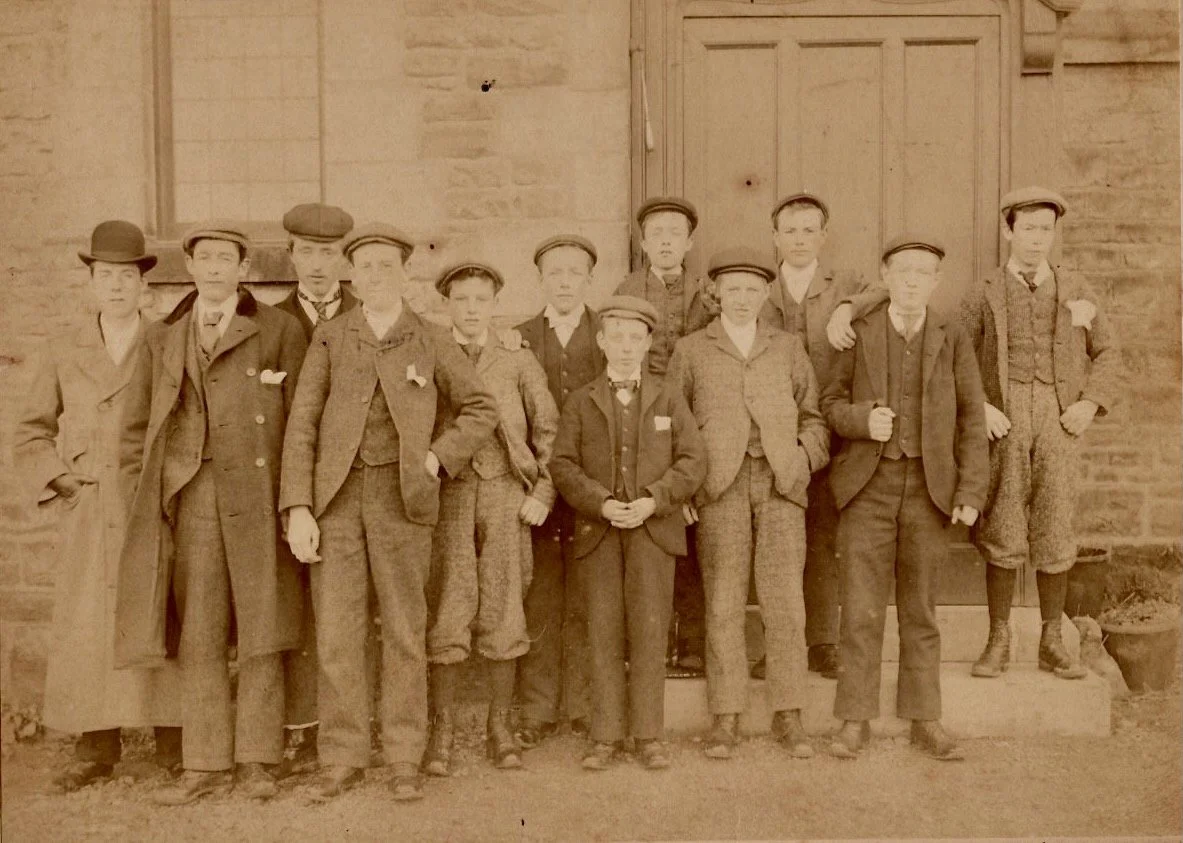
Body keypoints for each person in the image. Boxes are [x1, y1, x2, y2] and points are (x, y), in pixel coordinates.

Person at [824, 189, 1121, 681]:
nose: (1036, 240)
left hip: (1059, 417)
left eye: (1045, 230)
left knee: (1056, 521)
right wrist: (982, 407)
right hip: (1003, 419)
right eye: (1027, 229)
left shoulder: (1076, 289)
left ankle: (1051, 637)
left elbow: (1108, 351)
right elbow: (954, 358)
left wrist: (1089, 403)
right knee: (1002, 523)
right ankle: (999, 636)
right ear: (1008, 231)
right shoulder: (984, 292)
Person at [280, 223, 498, 803]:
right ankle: (342, 755)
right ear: (352, 275)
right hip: (336, 502)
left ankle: (404, 755)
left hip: (403, 503)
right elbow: (302, 425)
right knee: (337, 631)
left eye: (386, 266)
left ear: (405, 273)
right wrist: (299, 506)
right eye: (366, 266)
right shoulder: (331, 337)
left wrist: (436, 458)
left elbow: (480, 407)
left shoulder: (430, 337)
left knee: (405, 629)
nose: (375, 276)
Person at [116, 221, 308, 804]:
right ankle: (203, 764)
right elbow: (136, 429)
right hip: (194, 493)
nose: (216, 268)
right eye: (206, 258)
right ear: (191, 267)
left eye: (227, 258)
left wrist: (294, 501)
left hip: (259, 496)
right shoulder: (164, 337)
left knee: (262, 625)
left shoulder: (278, 329)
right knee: (199, 629)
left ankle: (258, 759)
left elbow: (303, 425)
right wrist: (143, 497)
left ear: (243, 268)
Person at [14, 221, 182, 791]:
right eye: (105, 276)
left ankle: (172, 741)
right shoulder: (64, 349)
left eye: (126, 276)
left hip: (148, 503)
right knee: (89, 620)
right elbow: (31, 431)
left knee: (158, 610)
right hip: (89, 505)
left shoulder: (166, 342)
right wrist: (63, 481)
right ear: (91, 283)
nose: (115, 286)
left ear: (143, 286)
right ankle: (95, 746)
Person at [821, 234, 988, 761]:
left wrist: (970, 489)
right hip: (867, 488)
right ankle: (854, 719)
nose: (912, 280)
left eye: (923, 272)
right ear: (885, 277)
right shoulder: (860, 331)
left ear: (936, 282)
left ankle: (925, 719)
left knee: (921, 610)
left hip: (929, 490)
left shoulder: (951, 335)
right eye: (903, 271)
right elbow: (829, 403)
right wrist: (861, 421)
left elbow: (972, 417)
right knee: (860, 610)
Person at [669, 247, 829, 761]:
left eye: (752, 290)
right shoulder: (692, 350)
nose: (742, 298)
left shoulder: (787, 346)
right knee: (723, 601)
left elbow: (814, 417)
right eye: (732, 289)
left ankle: (789, 712)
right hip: (719, 487)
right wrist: (685, 488)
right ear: (716, 295)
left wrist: (801, 460)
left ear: (765, 295)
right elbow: (674, 425)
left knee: (785, 601)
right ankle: (726, 714)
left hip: (781, 484)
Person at [550, 295, 706, 771]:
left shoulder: (668, 397)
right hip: (600, 532)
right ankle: (605, 735)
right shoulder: (581, 400)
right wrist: (600, 502)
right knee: (603, 630)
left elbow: (693, 460)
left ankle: (648, 735)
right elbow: (563, 464)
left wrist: (654, 500)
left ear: (648, 344)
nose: (625, 346)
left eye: (635, 338)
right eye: (616, 337)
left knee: (649, 630)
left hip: (652, 532)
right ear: (600, 341)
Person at [424, 261, 559, 775]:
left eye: (482, 299)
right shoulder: (432, 352)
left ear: (495, 303)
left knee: (505, 605)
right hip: (450, 495)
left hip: (506, 493)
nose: (472, 309)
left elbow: (548, 430)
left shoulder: (516, 357)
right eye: (461, 299)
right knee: (450, 602)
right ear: (447, 304)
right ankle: (443, 729)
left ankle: (500, 726)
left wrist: (542, 490)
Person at [747, 192, 865, 681]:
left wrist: (848, 308)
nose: (799, 239)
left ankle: (823, 641)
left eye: (809, 230)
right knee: (774, 542)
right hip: (769, 434)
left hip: (828, 431)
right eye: (790, 231)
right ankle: (777, 645)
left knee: (821, 537)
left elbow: (885, 291)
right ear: (775, 237)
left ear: (823, 236)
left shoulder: (845, 284)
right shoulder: (757, 287)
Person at [272, 201, 359, 773]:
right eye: (307, 252)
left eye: (329, 253)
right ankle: (300, 725)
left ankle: (352, 724)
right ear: (292, 256)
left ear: (344, 259)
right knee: (293, 604)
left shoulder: (367, 316)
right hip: (289, 486)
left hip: (350, 487)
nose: (318, 264)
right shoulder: (269, 322)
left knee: (347, 609)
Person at [616, 196, 712, 676]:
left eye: (676, 233)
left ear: (689, 242)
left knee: (692, 532)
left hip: (696, 419)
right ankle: (646, 642)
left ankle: (692, 641)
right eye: (657, 233)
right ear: (643, 242)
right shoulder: (627, 290)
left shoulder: (709, 293)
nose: (666, 242)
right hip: (642, 420)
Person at [514, 235, 603, 749]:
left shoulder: (608, 332)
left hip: (591, 486)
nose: (565, 282)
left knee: (589, 597)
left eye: (574, 273)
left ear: (589, 279)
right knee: (542, 597)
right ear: (540, 280)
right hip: (538, 490)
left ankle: (586, 706)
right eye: (555, 273)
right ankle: (538, 708)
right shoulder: (519, 338)